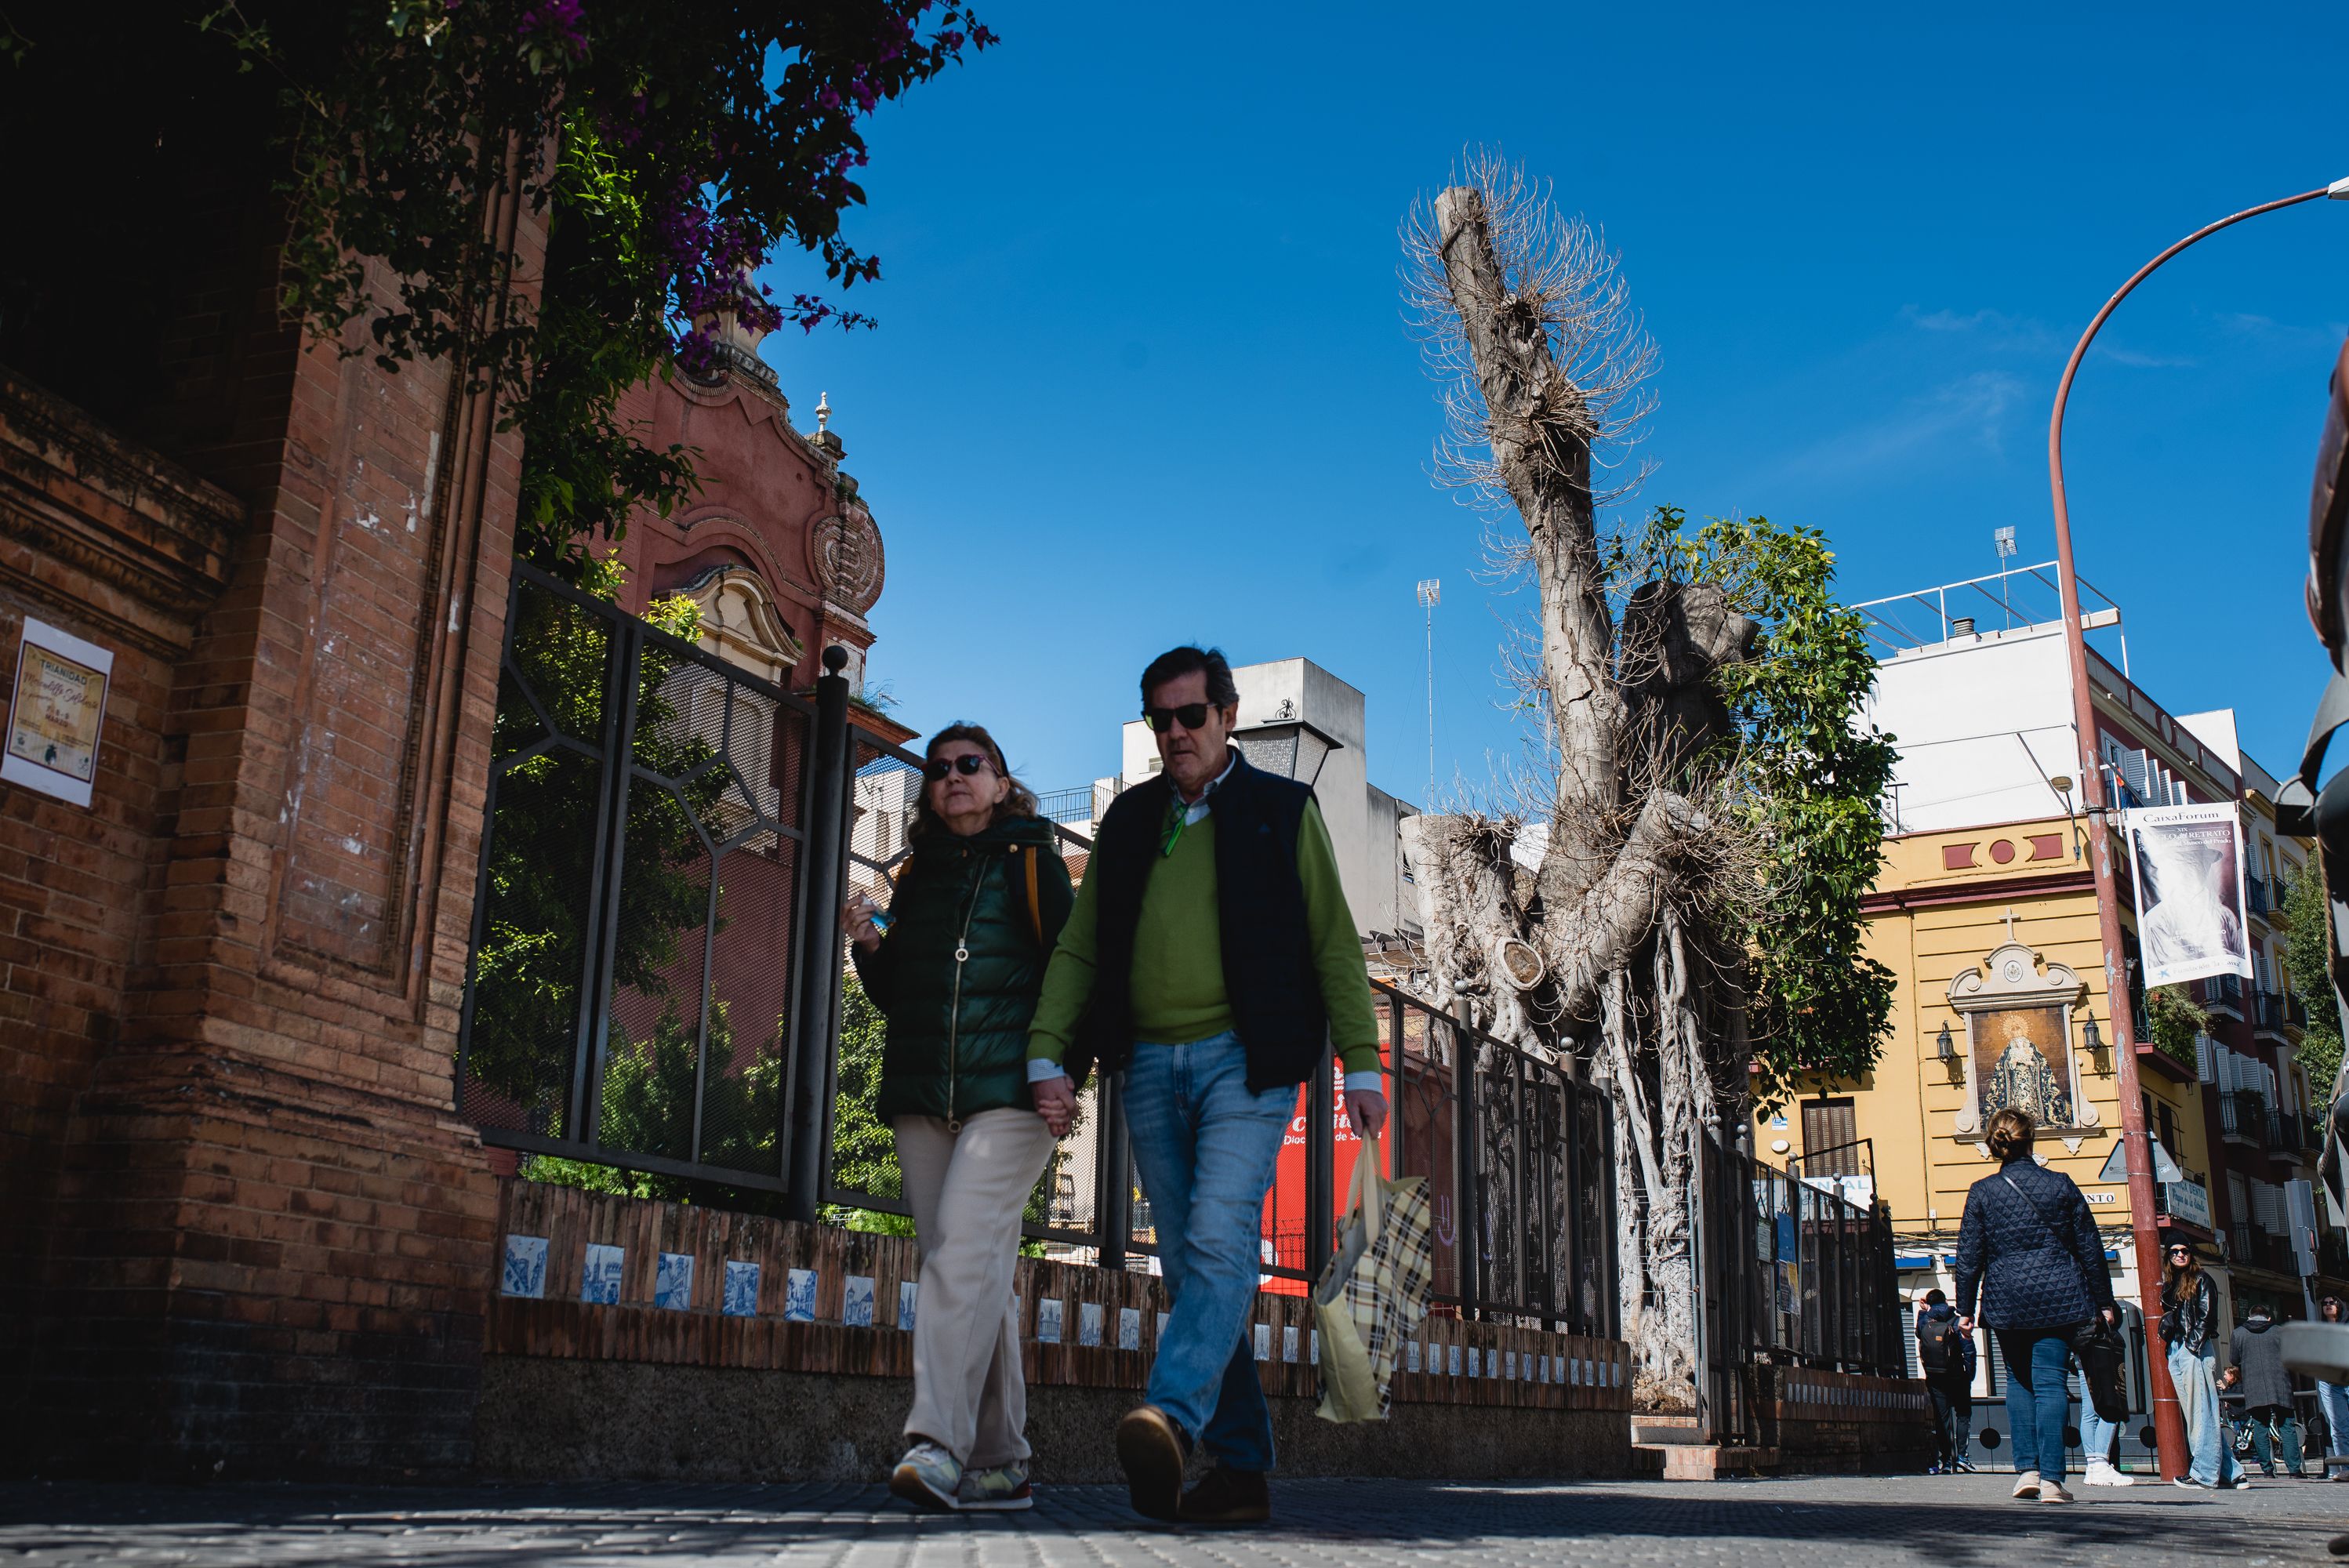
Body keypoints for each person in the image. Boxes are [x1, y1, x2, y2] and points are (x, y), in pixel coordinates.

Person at [1026, 645, 1384, 1527]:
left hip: (1246, 1063)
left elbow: (1333, 942)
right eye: (1162, 720)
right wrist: (1046, 1052)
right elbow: (1081, 946)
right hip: (1147, 1063)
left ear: (1227, 717)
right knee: (1193, 1268)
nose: (1176, 733)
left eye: (1192, 715)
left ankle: (1172, 1416)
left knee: (1220, 1239)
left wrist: (1362, 1060)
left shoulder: (1282, 810)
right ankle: (1244, 1470)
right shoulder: (1130, 819)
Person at [845, 723, 1076, 1513]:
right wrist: (868, 944)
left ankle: (935, 1443)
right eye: (939, 768)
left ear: (1002, 783)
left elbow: (1072, 971)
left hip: (1011, 1095)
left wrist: (1064, 1070)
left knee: (960, 1258)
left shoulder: (1034, 861)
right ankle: (1002, 1461)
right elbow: (901, 997)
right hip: (924, 1097)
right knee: (970, 1269)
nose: (952, 775)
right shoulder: (919, 874)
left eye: (970, 764)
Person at [1953, 1106, 2118, 1504]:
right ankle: (2052, 1481)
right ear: (2032, 1141)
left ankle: (2026, 1471)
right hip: (2060, 1299)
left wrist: (1965, 1310)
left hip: (2006, 1301)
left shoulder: (1982, 1192)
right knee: (2050, 1383)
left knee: (2018, 1382)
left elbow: (1969, 1257)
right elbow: (2090, 1248)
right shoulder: (2060, 1184)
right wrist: (2104, 1301)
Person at [2160, 1240, 2247, 1490]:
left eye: (2184, 1251)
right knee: (2197, 1414)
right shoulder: (2171, 1283)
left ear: (2191, 1254)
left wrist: (2191, 1346)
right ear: (2168, 1256)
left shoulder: (2201, 1279)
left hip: (2194, 1349)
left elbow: (2207, 1318)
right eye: (2174, 1252)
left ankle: (2203, 1474)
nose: (2180, 1255)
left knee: (2201, 1413)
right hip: (2176, 1350)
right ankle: (2234, 1473)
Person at [2225, 1302, 2306, 1479]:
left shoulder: (2239, 1333)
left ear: (2249, 1317)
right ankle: (2295, 1470)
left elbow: (2234, 1359)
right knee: (2287, 1427)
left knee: (2260, 1428)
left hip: (2254, 1386)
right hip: (2280, 1383)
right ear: (2268, 1318)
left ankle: (2267, 1470)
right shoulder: (2280, 1332)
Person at [1915, 1289, 1978, 1474]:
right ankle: (1962, 1457)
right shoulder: (1957, 1321)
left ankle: (1947, 1461)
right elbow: (1968, 1349)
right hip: (1958, 1376)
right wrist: (1969, 1374)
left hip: (1935, 1377)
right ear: (1945, 1301)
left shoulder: (1926, 1321)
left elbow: (1919, 1333)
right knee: (1963, 1414)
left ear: (1929, 1303)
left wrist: (1923, 1311)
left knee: (1942, 1419)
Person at [2316, 1296, 2349, 1482]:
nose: (2328, 1305)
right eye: (2325, 1303)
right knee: (2338, 1427)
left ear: (2340, 1305)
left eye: (2332, 1302)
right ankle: (2346, 1468)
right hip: (2330, 1384)